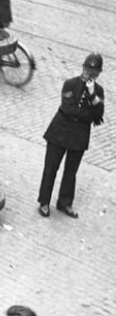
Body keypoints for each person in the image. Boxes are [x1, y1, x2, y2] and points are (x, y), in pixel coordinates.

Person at [37, 53, 104, 219]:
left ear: (99, 73)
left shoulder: (98, 91)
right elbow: (69, 109)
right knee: (51, 167)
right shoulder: (70, 84)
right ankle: (44, 202)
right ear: (83, 68)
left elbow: (100, 114)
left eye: (94, 73)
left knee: (71, 171)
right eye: (88, 71)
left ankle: (64, 203)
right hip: (60, 130)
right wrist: (90, 113)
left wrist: (92, 95)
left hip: (79, 136)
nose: (90, 75)